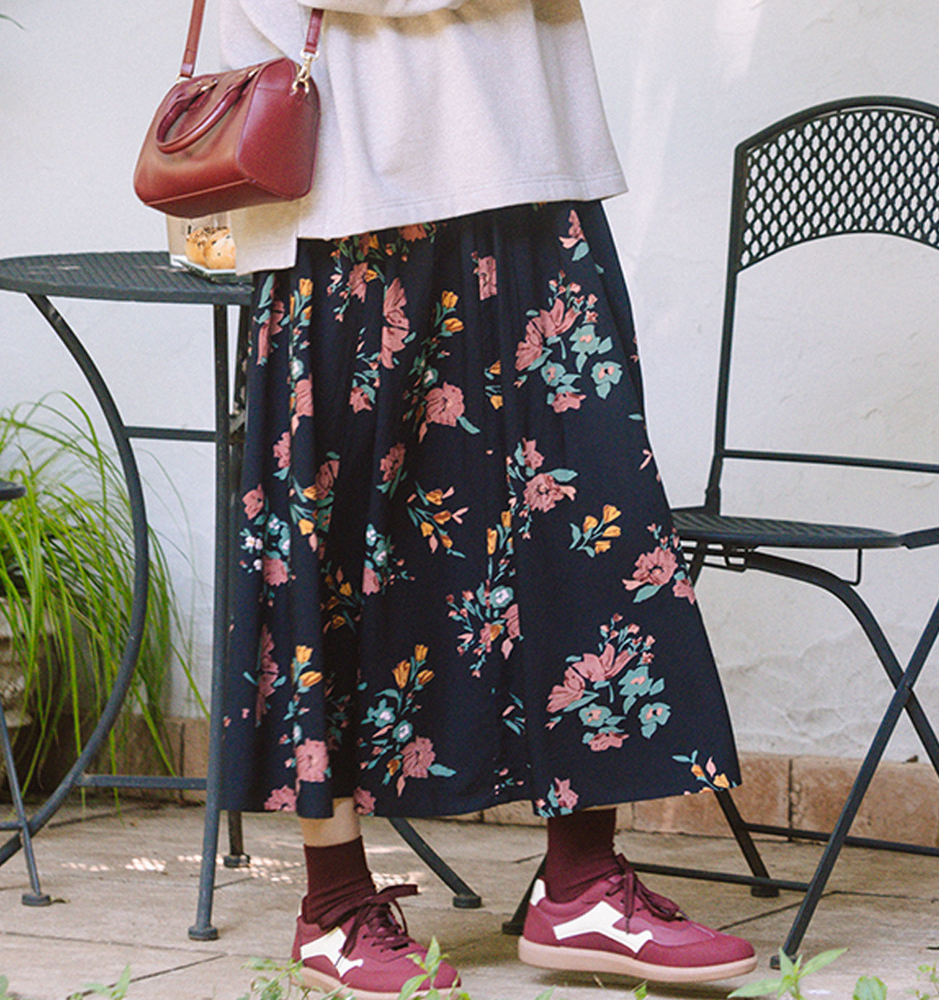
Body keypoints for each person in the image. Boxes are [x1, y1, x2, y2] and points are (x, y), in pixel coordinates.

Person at [218, 0, 758, 992]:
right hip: (350, 191)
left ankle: (582, 886)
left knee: (591, 519)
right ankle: (333, 904)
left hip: (528, 171)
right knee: (332, 544)